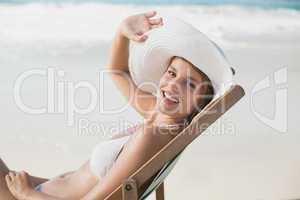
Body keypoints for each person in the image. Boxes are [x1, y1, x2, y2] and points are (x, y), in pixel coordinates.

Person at [1, 10, 215, 200]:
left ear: (200, 104)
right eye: (172, 73)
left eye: (190, 84)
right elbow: (117, 71)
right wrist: (124, 30)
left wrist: (27, 194)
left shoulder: (151, 136)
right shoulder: (159, 118)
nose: (173, 85)